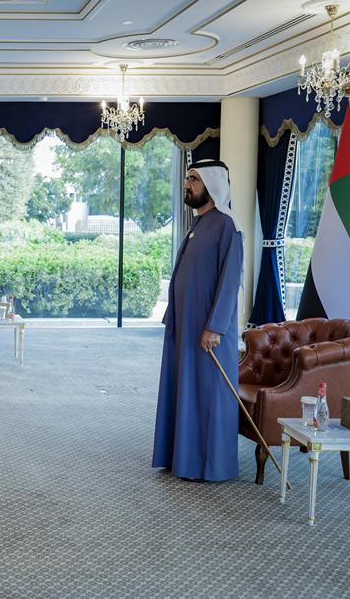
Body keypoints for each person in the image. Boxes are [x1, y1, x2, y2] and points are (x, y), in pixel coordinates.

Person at [152, 159, 244, 482]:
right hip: (186, 326)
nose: (186, 184)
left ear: (212, 184)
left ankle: (209, 466)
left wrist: (215, 327)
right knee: (184, 391)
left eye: (193, 179)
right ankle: (182, 458)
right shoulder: (199, 223)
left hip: (209, 332)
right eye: (187, 178)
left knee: (207, 395)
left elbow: (230, 281)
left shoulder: (226, 225)